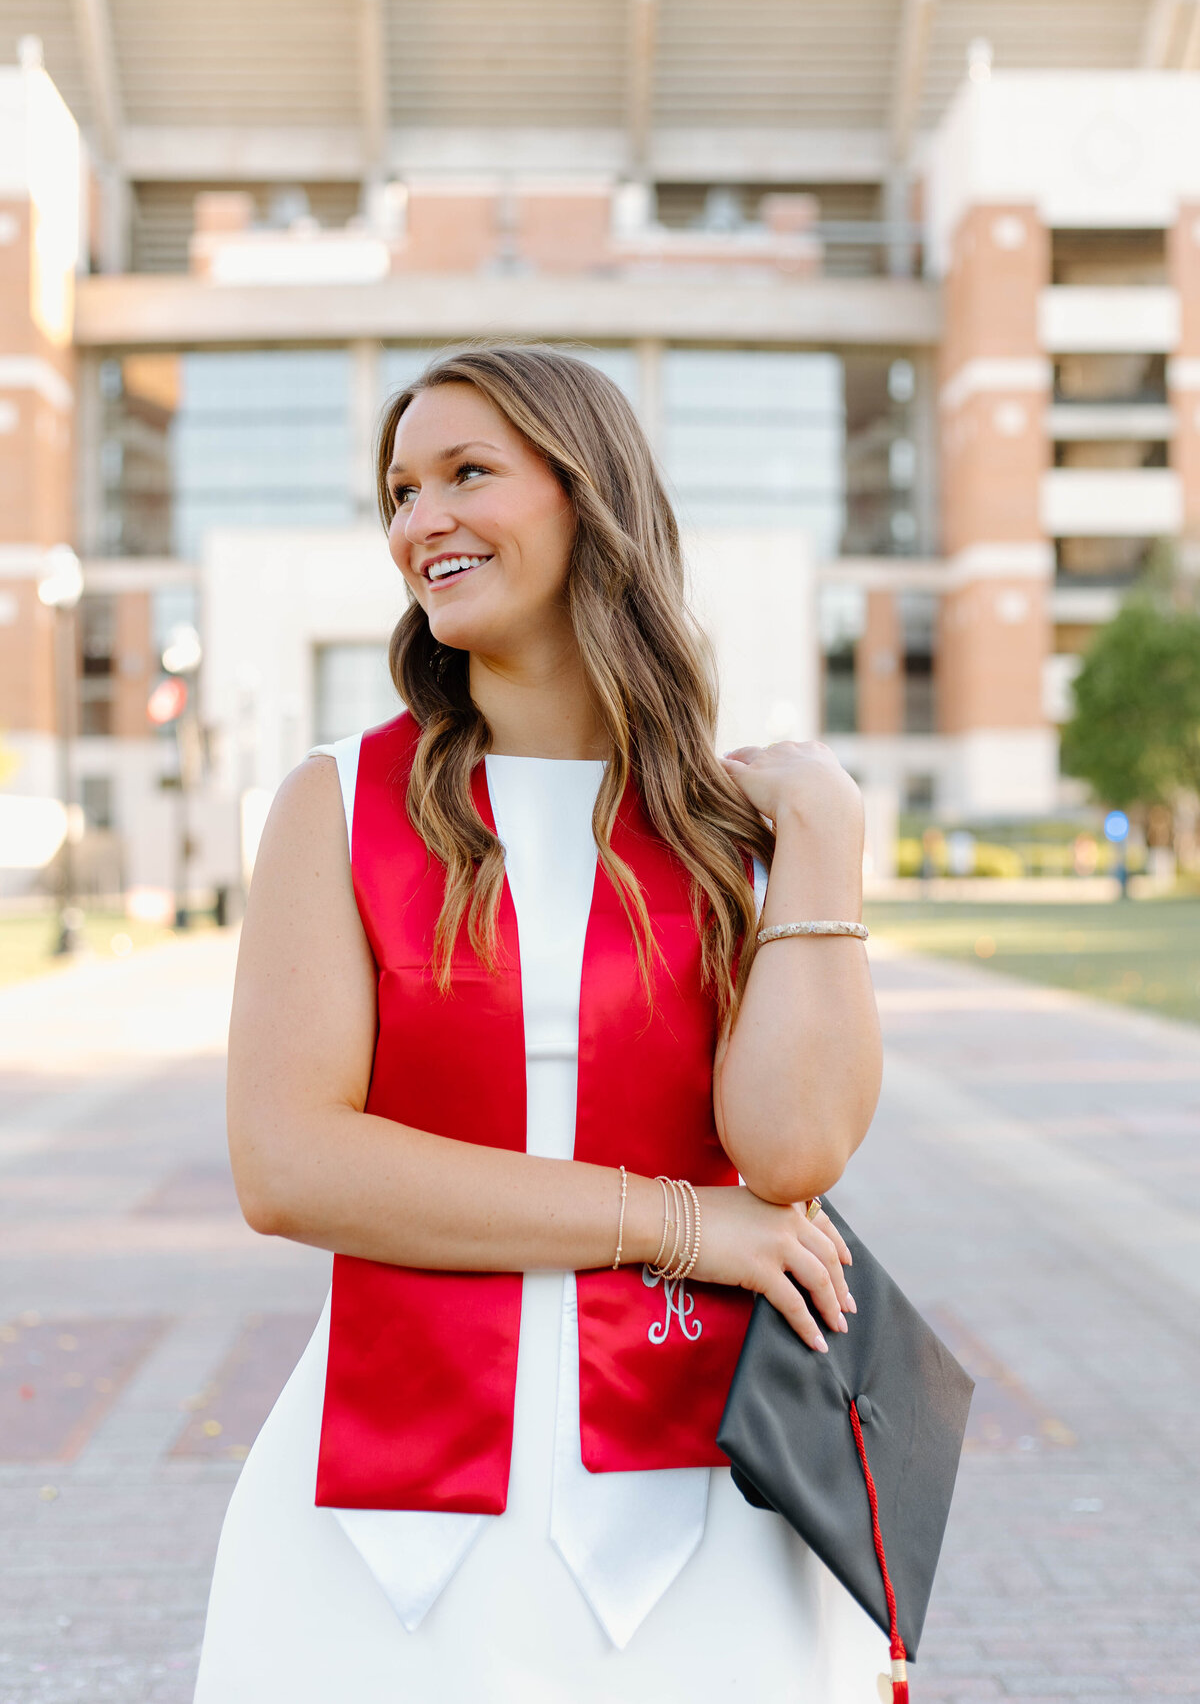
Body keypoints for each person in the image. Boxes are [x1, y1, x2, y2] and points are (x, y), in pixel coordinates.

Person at [194, 345, 887, 1701]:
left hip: (707, 1492)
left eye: (466, 475)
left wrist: (825, 836)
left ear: (592, 500)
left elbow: (796, 1152)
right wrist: (692, 1225)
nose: (419, 522)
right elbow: (289, 1167)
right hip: (385, 1512)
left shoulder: (728, 832)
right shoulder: (339, 805)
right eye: (399, 491)